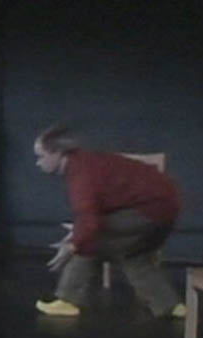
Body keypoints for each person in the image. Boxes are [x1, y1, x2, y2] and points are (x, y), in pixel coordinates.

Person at [32, 124, 186, 319]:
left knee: (89, 241)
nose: (38, 163)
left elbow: (88, 219)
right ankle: (171, 306)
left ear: (57, 153)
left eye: (41, 156)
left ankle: (67, 299)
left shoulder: (81, 173)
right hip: (166, 209)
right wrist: (79, 232)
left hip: (150, 209)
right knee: (133, 254)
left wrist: (72, 244)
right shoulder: (85, 161)